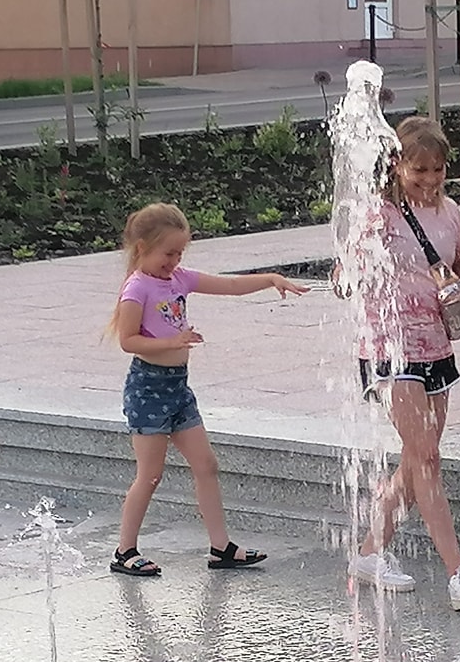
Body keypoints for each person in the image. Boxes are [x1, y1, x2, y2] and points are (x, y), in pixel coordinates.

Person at [108, 202, 309, 577]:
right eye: (168, 252)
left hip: (178, 389)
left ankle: (221, 547)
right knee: (150, 474)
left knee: (206, 465)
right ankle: (125, 550)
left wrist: (270, 279)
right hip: (147, 389)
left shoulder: (178, 279)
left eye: (180, 252)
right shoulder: (137, 287)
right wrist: (174, 341)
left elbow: (228, 285)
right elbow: (128, 341)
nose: (175, 260)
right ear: (142, 248)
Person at [349, 115, 460, 610]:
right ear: (397, 165)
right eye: (420, 171)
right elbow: (343, 277)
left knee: (419, 459)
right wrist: (357, 263)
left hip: (436, 344)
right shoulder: (379, 215)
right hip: (389, 347)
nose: (431, 180)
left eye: (438, 171)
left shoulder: (450, 213)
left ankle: (370, 553)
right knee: (426, 457)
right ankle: (457, 573)